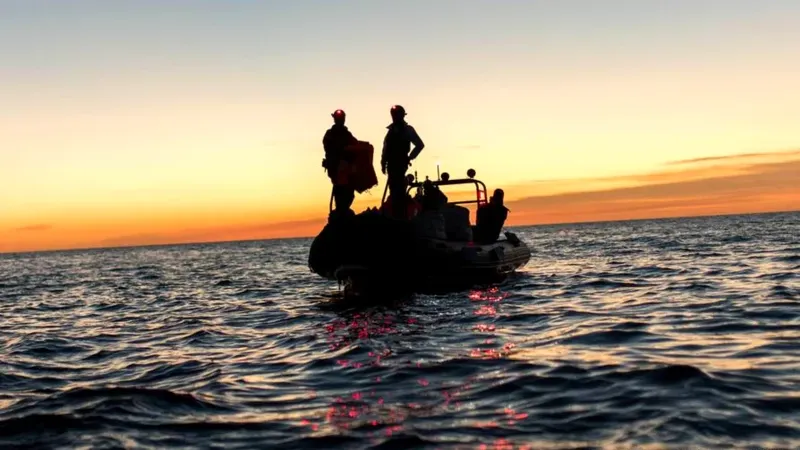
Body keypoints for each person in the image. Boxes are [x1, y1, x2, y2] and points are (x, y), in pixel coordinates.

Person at [381, 105, 424, 219]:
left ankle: (401, 217)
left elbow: (419, 145)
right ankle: (397, 216)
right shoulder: (390, 131)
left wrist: (409, 157)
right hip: (391, 164)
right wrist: (383, 162)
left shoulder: (408, 130)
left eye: (396, 114)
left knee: (398, 190)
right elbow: (386, 148)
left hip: (400, 164)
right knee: (394, 191)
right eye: (393, 114)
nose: (394, 116)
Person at [322, 109, 358, 213]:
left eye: (342, 119)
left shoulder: (347, 134)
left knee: (348, 191)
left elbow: (355, 144)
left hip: (346, 168)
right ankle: (340, 211)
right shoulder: (330, 134)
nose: (341, 121)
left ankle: (343, 210)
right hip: (336, 167)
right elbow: (328, 147)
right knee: (339, 189)